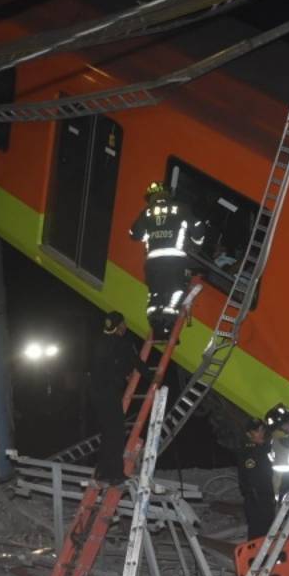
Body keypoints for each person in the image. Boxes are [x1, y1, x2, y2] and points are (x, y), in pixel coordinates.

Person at [129, 182, 205, 340]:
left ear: (150, 197)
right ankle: (167, 327)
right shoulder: (181, 208)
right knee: (175, 291)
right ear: (168, 194)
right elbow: (198, 227)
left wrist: (150, 236)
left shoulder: (147, 212)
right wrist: (196, 244)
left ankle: (156, 326)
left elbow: (133, 234)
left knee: (155, 294)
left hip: (153, 263)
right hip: (175, 261)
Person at [88, 311, 154, 485]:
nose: (126, 327)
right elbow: (136, 362)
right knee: (116, 433)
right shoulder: (121, 343)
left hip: (96, 394)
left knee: (108, 433)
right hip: (109, 393)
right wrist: (154, 377)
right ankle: (115, 474)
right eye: (123, 324)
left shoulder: (101, 342)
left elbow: (108, 365)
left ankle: (102, 472)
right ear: (118, 326)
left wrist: (123, 373)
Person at [237, 419, 276, 539]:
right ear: (249, 434)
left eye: (262, 430)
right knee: (258, 534)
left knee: (267, 532)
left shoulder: (265, 448)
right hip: (256, 499)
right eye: (257, 431)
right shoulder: (249, 452)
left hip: (266, 497)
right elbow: (253, 478)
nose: (261, 433)